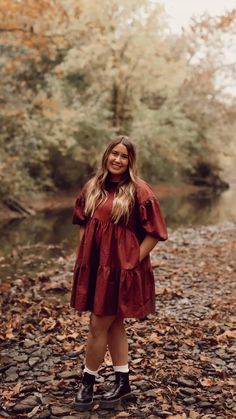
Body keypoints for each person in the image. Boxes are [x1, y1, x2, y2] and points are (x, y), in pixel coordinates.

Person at [71, 135, 168, 410]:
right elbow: (82, 222)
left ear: (130, 161)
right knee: (113, 323)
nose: (117, 159)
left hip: (123, 270)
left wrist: (131, 260)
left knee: (97, 325)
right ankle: (123, 383)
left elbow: (156, 233)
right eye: (114, 153)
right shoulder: (92, 187)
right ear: (106, 155)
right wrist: (84, 257)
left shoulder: (139, 190)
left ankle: (87, 385)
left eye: (124, 156)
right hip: (96, 268)